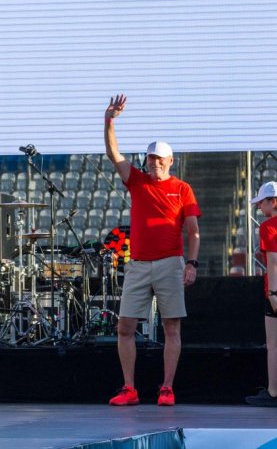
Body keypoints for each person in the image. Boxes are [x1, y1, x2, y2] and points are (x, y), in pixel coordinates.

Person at [103, 95, 201, 407]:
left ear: (171, 161)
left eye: (159, 158)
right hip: (139, 264)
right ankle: (129, 389)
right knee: (124, 326)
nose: (154, 162)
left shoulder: (182, 188)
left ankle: (167, 388)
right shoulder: (138, 181)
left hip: (170, 262)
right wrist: (109, 120)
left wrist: (192, 263)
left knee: (172, 326)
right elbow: (113, 153)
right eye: (150, 158)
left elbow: (193, 230)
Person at [245, 181, 277, 406]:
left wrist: (274, 293)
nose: (259, 208)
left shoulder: (268, 227)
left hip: (275, 290)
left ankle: (273, 391)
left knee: (273, 344)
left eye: (262, 202)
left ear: (273, 202)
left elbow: (273, 262)